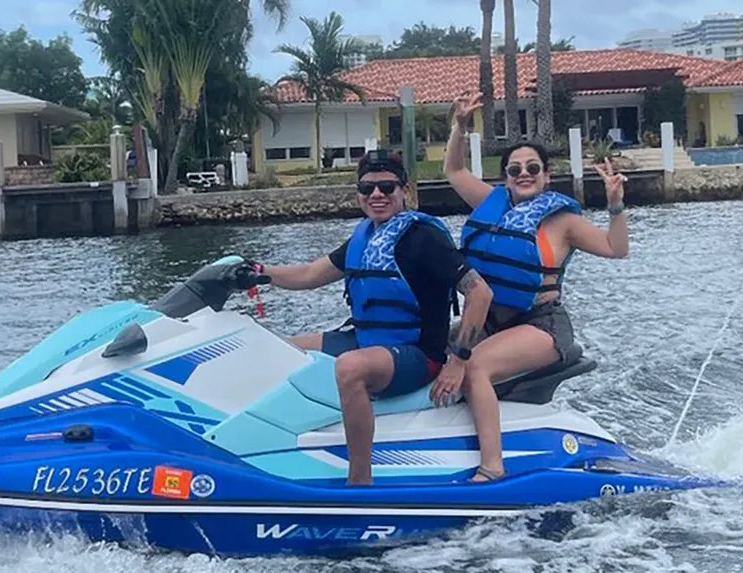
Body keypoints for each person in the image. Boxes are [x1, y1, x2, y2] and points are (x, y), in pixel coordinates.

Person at [250, 150, 492, 485]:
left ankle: (359, 479)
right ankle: (268, 451)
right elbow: (308, 274)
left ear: (404, 190)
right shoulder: (364, 238)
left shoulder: (424, 238)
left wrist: (459, 361)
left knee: (350, 368)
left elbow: (480, 293)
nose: (376, 195)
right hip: (368, 340)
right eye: (367, 189)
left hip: (417, 354)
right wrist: (259, 273)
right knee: (272, 347)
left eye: (386, 187)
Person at [435, 92, 630, 483]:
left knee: (473, 364)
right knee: (428, 349)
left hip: (542, 325)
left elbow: (615, 249)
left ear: (546, 175)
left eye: (532, 168)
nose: (523, 174)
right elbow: (454, 171)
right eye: (514, 169)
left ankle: (491, 468)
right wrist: (459, 126)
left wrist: (615, 204)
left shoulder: (563, 222)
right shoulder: (492, 202)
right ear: (505, 176)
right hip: (490, 322)